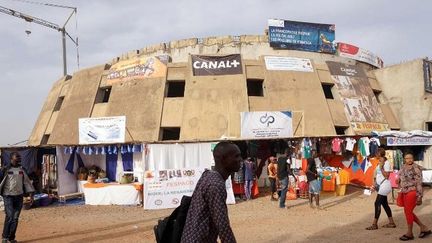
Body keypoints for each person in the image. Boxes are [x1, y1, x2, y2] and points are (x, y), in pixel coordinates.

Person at [181, 141, 240, 243]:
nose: (240, 159)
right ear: (223, 159)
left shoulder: (208, 175)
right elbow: (223, 226)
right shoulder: (216, 185)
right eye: (236, 156)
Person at [0, 152, 35, 243]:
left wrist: (31, 194)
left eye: (20, 157)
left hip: (19, 196)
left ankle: (11, 238)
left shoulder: (22, 169)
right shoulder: (5, 169)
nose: (19, 158)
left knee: (15, 218)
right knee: (10, 216)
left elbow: (27, 182)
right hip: (8, 196)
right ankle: (4, 237)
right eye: (17, 157)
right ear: (11, 158)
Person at [397, 152, 431, 241]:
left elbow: (419, 183)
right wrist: (398, 180)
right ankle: (423, 227)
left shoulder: (416, 168)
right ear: (404, 159)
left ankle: (409, 233)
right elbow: (399, 176)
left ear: (413, 159)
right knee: (407, 211)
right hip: (404, 191)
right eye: (407, 158)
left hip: (412, 191)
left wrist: (420, 196)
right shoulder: (403, 167)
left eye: (411, 158)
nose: (409, 160)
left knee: (408, 211)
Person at [366, 154, 396, 230]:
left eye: (377, 153)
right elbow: (376, 175)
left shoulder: (386, 163)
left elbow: (386, 176)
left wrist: (382, 167)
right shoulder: (378, 162)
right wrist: (374, 185)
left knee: (377, 203)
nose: (375, 154)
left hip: (385, 185)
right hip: (381, 185)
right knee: (385, 204)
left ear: (380, 154)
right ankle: (391, 222)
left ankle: (374, 224)